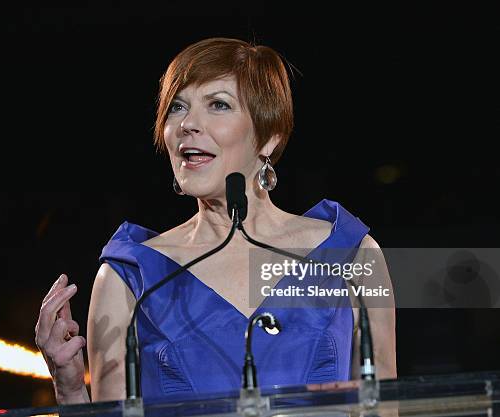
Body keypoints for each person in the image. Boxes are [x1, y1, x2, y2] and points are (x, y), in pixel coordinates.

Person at [34, 37, 397, 404]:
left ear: (269, 137)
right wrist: (69, 387)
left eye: (218, 105)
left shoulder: (353, 258)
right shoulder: (130, 275)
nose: (188, 124)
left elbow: (386, 411)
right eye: (177, 107)